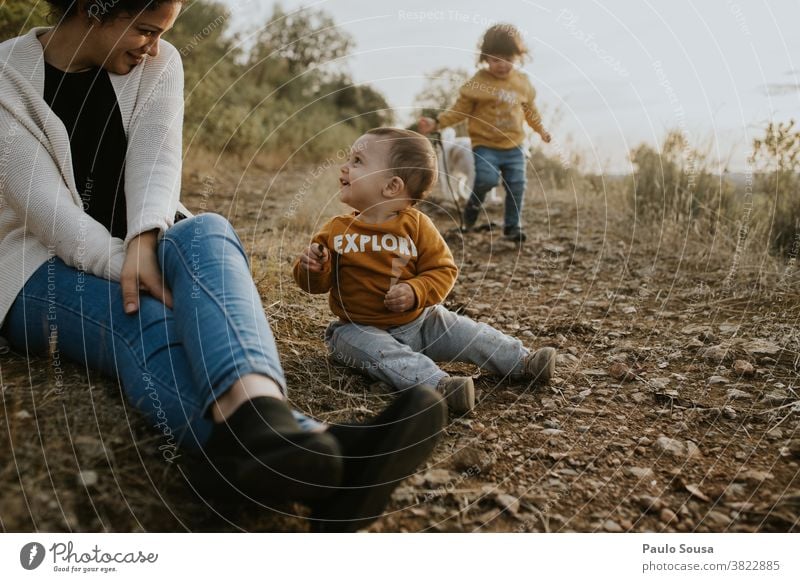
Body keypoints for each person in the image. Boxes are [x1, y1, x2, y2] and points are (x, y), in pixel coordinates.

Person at [0, 0, 445, 533]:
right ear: (95, 9)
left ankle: (263, 421)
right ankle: (336, 459)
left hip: (145, 241)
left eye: (162, 32)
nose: (154, 46)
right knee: (145, 316)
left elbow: (156, 162)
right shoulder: (5, 77)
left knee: (208, 229)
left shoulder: (158, 63)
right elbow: (44, 209)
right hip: (35, 266)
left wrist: (147, 243)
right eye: (144, 29)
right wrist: (129, 263)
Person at [293, 128, 557, 415]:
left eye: (358, 161)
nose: (345, 166)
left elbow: (443, 270)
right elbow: (312, 284)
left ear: (392, 186)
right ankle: (440, 386)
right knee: (381, 353)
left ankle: (523, 361)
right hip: (356, 329)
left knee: (470, 334)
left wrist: (415, 290)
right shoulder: (336, 230)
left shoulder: (417, 226)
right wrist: (313, 268)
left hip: (421, 322)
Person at [418, 24, 552, 243]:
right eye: (495, 59)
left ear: (517, 57)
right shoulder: (478, 84)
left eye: (507, 59)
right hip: (485, 145)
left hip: (515, 145)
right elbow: (459, 111)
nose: (502, 65)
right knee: (485, 181)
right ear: (485, 58)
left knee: (517, 185)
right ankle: (471, 210)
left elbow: (531, 112)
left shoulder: (522, 83)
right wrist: (437, 123)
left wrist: (541, 131)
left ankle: (512, 227)